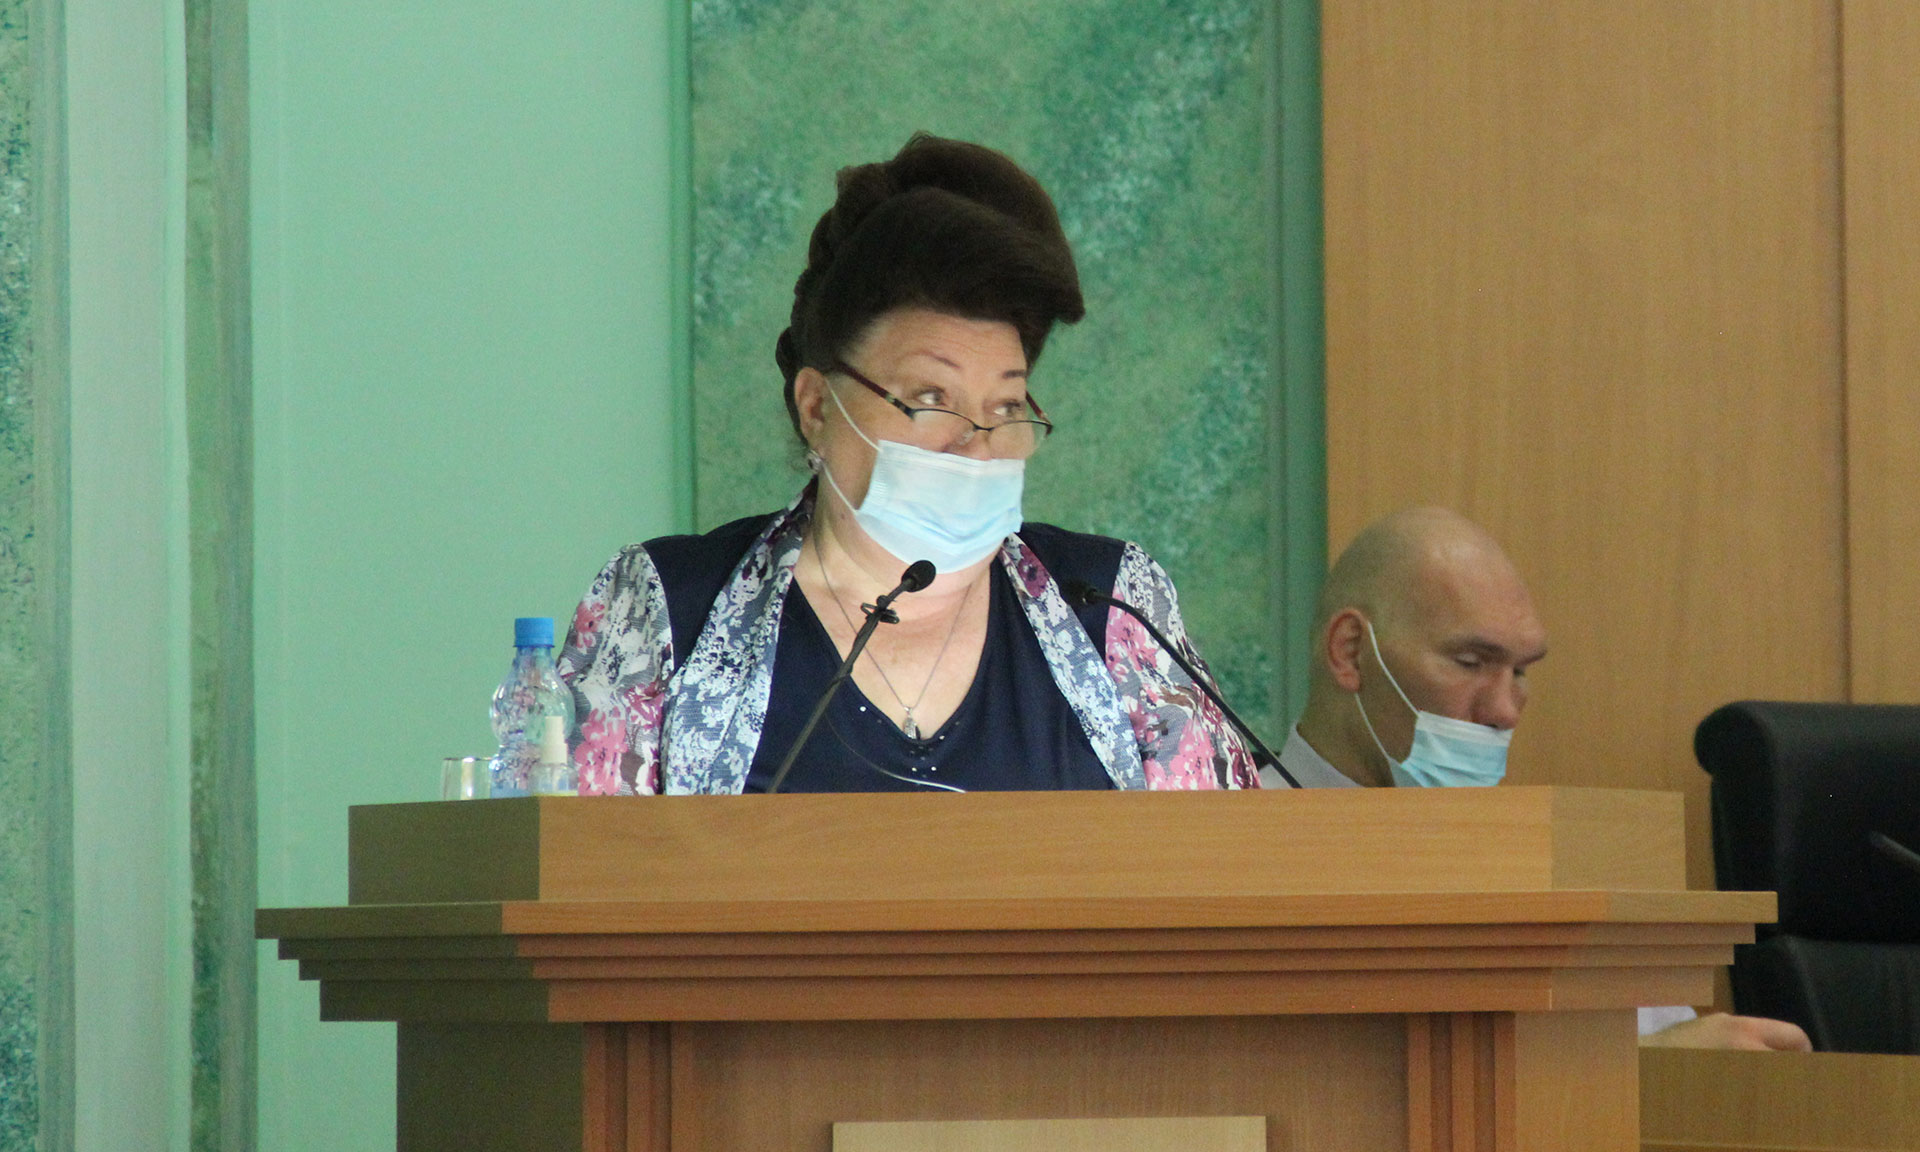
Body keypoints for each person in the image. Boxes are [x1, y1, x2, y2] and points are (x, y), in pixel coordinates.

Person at [557, 134, 1258, 796]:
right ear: (817, 407)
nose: (975, 443)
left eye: (1006, 405)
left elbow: (1227, 863)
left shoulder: (1113, 613)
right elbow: (569, 866)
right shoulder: (667, 611)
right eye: (930, 399)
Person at [1265, 506, 1812, 1053]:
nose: (1506, 710)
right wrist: (1623, 1069)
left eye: (1521, 671)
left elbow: (1661, 1042)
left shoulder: (1545, 860)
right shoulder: (1233, 852)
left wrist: (1682, 1066)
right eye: (1470, 662)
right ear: (1351, 651)